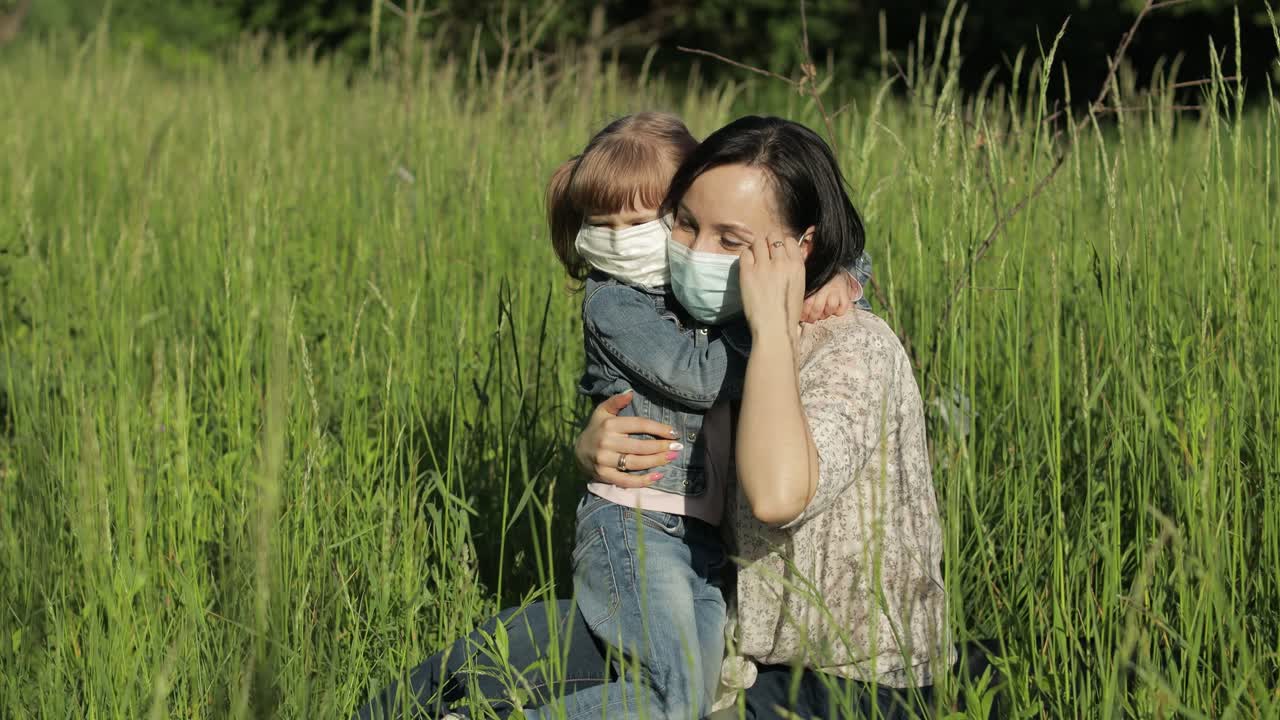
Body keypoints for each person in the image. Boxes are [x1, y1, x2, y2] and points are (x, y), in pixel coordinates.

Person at [351, 115, 952, 720]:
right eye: (685, 224)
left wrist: (798, 310)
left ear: (802, 248)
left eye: (731, 240)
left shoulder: (852, 349)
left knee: (667, 702)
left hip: (845, 681)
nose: (693, 251)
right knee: (517, 645)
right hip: (720, 617)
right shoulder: (701, 315)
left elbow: (775, 497)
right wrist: (591, 445)